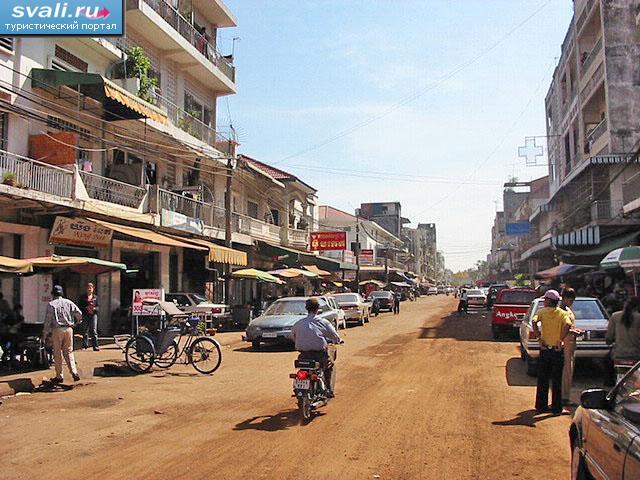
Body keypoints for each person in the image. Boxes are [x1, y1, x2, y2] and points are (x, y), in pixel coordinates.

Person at [291, 298, 342, 397]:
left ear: (306, 308)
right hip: (319, 355)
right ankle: (328, 390)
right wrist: (338, 341)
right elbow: (334, 336)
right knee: (329, 367)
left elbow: (293, 335)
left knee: (302, 370)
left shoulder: (298, 323)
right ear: (318, 309)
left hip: (303, 356)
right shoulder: (323, 322)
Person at [532, 289, 572, 415]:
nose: (544, 301)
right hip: (557, 350)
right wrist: (561, 339)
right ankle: (556, 408)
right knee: (556, 380)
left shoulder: (541, 312)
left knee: (543, 378)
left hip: (545, 349)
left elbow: (534, 321)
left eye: (545, 300)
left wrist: (539, 337)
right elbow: (568, 325)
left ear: (548, 301)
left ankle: (541, 406)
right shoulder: (562, 313)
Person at [43, 285, 82, 383]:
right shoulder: (69, 302)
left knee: (57, 353)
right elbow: (79, 314)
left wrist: (45, 333)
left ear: (53, 294)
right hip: (69, 329)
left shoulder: (51, 304)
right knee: (69, 351)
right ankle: (74, 371)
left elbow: (48, 321)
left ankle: (59, 376)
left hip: (57, 330)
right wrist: (76, 323)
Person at [560, 288, 582, 406]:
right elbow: (562, 330)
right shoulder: (560, 311)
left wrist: (575, 331)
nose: (571, 302)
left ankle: (565, 396)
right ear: (563, 298)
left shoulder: (568, 310)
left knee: (569, 371)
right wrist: (573, 332)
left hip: (571, 343)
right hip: (565, 344)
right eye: (570, 300)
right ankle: (563, 398)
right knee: (565, 371)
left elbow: (570, 327)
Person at [606, 297, 640, 362]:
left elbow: (608, 339)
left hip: (619, 354)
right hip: (636, 355)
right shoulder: (638, 318)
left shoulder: (615, 316)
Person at [78, 282, 99, 351]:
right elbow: (79, 307)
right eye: (88, 288)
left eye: (91, 288)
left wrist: (95, 309)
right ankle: (85, 345)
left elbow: (98, 307)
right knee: (85, 330)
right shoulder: (82, 297)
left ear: (93, 289)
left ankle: (95, 346)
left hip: (93, 315)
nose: (89, 289)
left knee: (94, 330)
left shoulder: (95, 297)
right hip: (85, 315)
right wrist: (86, 308)